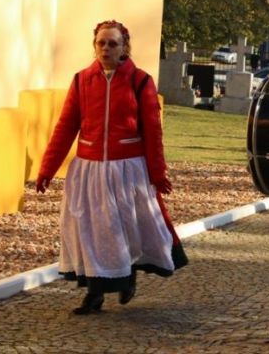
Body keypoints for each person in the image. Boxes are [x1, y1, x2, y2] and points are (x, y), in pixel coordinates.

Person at [36, 20, 188, 315]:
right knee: (91, 231)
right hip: (89, 171)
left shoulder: (140, 81)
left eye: (112, 44)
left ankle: (127, 275)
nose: (105, 48)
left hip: (126, 169)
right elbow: (66, 126)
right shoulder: (81, 80)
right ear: (95, 46)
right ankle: (94, 296)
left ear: (124, 48)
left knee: (121, 229)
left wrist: (158, 174)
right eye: (101, 43)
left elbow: (153, 131)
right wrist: (47, 169)